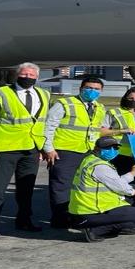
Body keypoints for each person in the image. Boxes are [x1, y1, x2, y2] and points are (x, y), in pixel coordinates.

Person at [0, 62, 50, 235]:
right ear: (17, 75)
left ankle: (24, 220)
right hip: (6, 149)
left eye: (31, 75)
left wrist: (44, 148)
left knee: (26, 190)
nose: (27, 78)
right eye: (24, 75)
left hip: (32, 149)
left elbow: (43, 123)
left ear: (37, 77)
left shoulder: (45, 94)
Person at [42, 76, 108, 228]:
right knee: (61, 187)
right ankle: (60, 220)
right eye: (89, 88)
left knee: (81, 185)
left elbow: (97, 129)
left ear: (101, 91)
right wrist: (48, 149)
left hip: (88, 152)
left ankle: (76, 215)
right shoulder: (64, 103)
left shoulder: (100, 108)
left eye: (96, 89)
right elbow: (48, 126)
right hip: (65, 151)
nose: (92, 91)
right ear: (80, 89)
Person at [68, 137, 135, 242]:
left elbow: (115, 182)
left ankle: (119, 226)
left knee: (132, 191)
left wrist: (132, 173)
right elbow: (120, 187)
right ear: (97, 149)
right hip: (91, 212)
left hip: (83, 209)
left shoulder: (90, 160)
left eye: (115, 147)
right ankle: (96, 230)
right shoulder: (100, 166)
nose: (112, 151)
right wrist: (134, 192)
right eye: (107, 148)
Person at [102, 86, 135, 176]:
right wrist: (121, 131)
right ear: (125, 98)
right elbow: (101, 131)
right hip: (117, 154)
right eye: (131, 98)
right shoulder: (113, 112)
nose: (133, 101)